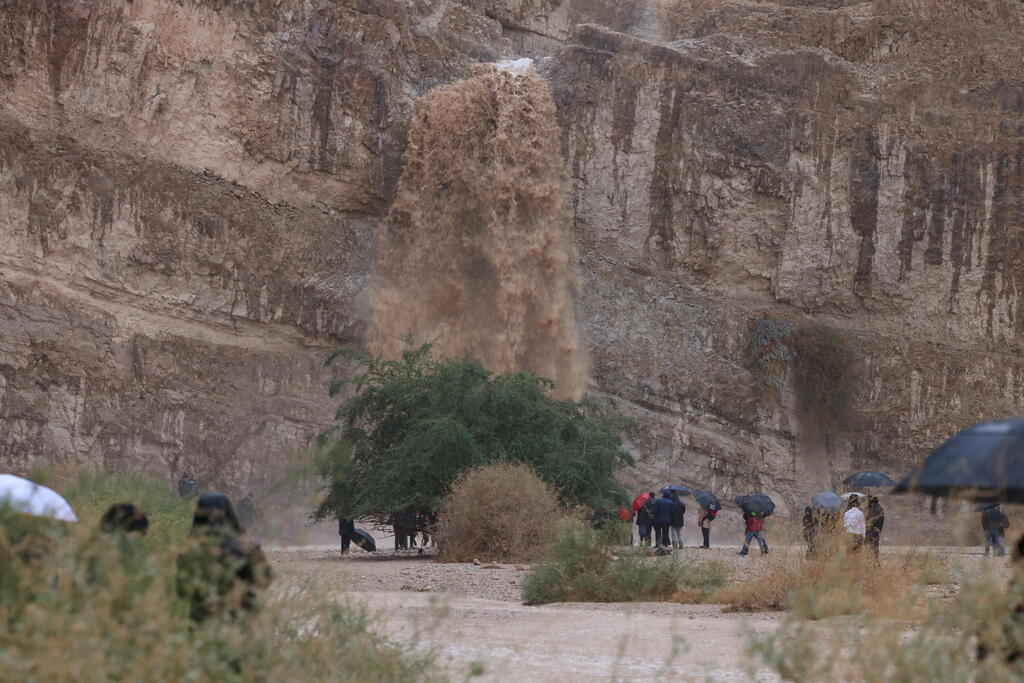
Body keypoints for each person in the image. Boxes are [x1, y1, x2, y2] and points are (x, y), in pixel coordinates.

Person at [176, 493, 272, 623]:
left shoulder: (188, 552)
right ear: (229, 513)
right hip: (239, 622)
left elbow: (181, 592)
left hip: (202, 624)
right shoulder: (248, 548)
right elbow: (266, 580)